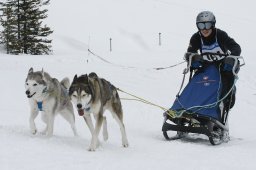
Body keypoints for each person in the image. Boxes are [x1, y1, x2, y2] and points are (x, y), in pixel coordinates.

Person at [185, 11, 242, 123]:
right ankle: (188, 111)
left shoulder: (220, 35)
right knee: (196, 87)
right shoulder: (196, 37)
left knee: (222, 90)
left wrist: (230, 59)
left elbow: (236, 48)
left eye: (208, 25)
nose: (205, 29)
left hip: (223, 66)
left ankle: (219, 115)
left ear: (213, 24)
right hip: (205, 67)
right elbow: (190, 52)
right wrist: (194, 59)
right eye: (201, 25)